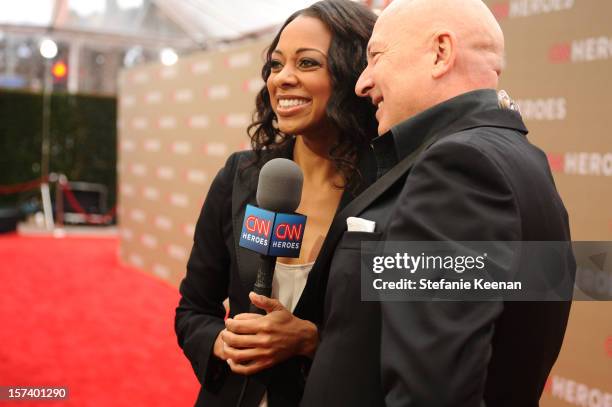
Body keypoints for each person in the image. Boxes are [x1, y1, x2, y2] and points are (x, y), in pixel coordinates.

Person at [300, 0, 574, 406]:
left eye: (375, 58)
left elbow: (432, 392)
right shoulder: (515, 155)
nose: (363, 83)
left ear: (440, 53)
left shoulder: (459, 167)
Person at [174, 1, 378, 406]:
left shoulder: (386, 191)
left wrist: (311, 342)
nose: (282, 79)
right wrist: (221, 343)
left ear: (353, 72)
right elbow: (194, 309)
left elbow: (404, 343)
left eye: (307, 63)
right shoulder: (240, 176)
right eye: (276, 64)